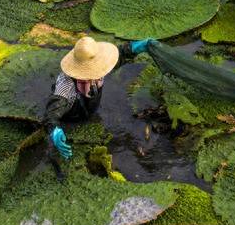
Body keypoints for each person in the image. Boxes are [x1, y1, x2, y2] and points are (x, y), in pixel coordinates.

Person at [44, 36, 154, 167]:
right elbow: (51, 114)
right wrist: (54, 130)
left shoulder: (101, 67)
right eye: (88, 77)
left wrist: (135, 48)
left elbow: (120, 56)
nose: (95, 79)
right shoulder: (65, 89)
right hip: (71, 117)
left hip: (91, 110)